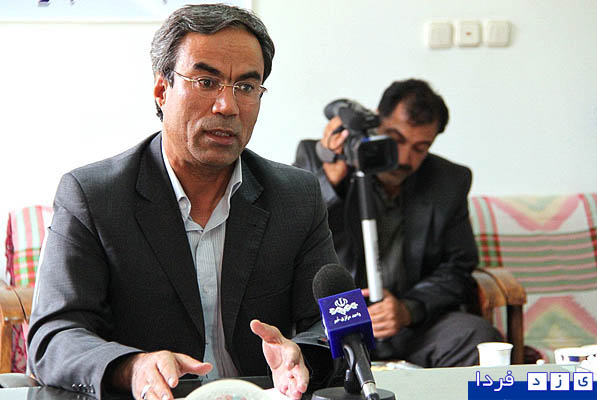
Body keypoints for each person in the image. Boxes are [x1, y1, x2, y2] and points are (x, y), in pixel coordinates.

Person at [27, 4, 339, 400]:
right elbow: (54, 336)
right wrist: (132, 367)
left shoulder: (296, 196)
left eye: (246, 87)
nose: (227, 106)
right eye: (206, 82)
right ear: (162, 90)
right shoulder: (94, 196)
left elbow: (333, 324)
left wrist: (303, 356)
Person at [294, 79, 502, 367]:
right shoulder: (319, 157)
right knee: (308, 355)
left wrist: (408, 309)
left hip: (412, 325)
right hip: (336, 322)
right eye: (396, 139)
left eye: (420, 148)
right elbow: (295, 232)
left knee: (478, 338)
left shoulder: (449, 181)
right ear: (377, 121)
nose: (404, 158)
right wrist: (332, 176)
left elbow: (458, 269)